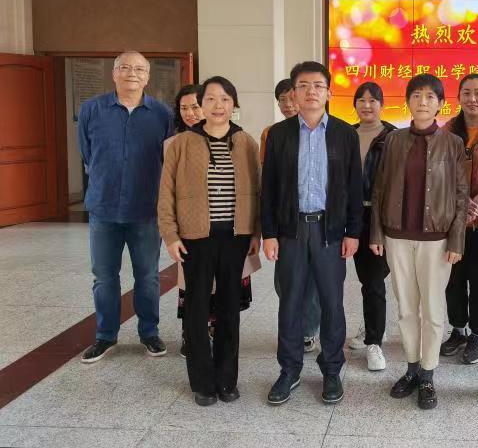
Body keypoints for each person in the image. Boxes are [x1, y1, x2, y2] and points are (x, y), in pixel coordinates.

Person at [262, 61, 362, 405]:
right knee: (290, 301)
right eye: (303, 86)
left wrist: (353, 231)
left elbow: (353, 187)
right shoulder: (279, 134)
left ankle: (331, 370)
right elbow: (268, 187)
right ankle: (289, 369)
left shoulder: (345, 134)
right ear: (293, 93)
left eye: (318, 85)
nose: (311, 92)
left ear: (329, 92)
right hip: (290, 231)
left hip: (329, 231)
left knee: (332, 302)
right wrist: (269, 233)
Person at [158, 76, 261, 406]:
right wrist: (170, 235)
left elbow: (259, 191)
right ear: (200, 105)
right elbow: (166, 193)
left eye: (225, 99)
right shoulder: (182, 144)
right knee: (197, 309)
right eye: (211, 99)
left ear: (234, 105)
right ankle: (202, 382)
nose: (219, 105)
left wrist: (255, 232)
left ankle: (227, 380)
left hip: (235, 238)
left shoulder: (246, 143)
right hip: (195, 239)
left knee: (230, 309)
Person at [370, 74, 468, 410]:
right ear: (408, 101)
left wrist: (456, 240)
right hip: (397, 236)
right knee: (406, 308)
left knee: (433, 309)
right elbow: (379, 189)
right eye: (416, 95)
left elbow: (460, 195)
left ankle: (428, 375)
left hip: (436, 240)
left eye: (429, 96)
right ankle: (411, 369)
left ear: (440, 103)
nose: (422, 101)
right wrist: (376, 233)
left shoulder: (452, 143)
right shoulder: (393, 140)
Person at [78, 51, 173, 364]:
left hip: (145, 209)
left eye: (139, 69)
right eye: (125, 67)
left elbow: (167, 160)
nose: (132, 73)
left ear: (147, 76)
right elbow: (87, 154)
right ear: (114, 73)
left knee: (148, 277)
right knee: (104, 277)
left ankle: (149, 333)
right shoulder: (91, 110)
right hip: (103, 209)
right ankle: (105, 336)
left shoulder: (162, 114)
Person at [260, 78, 321, 354]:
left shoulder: (322, 131)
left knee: (313, 280)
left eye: (290, 98)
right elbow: (267, 180)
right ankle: (292, 326)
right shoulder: (272, 134)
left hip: (315, 218)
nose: (287, 104)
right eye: (281, 100)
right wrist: (268, 230)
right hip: (285, 219)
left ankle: (308, 329)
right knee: (285, 279)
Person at [440, 74, 478, 365]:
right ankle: (458, 329)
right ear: (458, 97)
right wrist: (461, 204)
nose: (472, 99)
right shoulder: (447, 131)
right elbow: (438, 174)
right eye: (466, 93)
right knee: (454, 278)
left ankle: (476, 333)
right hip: (454, 220)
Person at [347, 82, 396, 371]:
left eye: (372, 100)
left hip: (381, 216)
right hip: (351, 216)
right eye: (361, 100)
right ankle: (373, 326)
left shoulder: (393, 137)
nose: (367, 105)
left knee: (375, 279)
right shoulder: (345, 135)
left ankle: (374, 342)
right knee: (366, 278)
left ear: (382, 105)